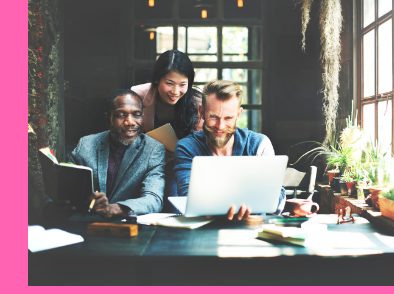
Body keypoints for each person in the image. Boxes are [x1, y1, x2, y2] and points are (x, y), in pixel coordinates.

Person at [43, 89, 166, 221]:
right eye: (121, 115)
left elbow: (154, 199)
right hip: (86, 226)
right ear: (108, 118)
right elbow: (65, 184)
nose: (130, 122)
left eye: (137, 115)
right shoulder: (86, 144)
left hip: (129, 229)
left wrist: (114, 209)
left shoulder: (153, 150)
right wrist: (50, 206)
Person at [173, 80, 286, 220]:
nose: (220, 126)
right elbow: (187, 196)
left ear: (238, 114)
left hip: (254, 230)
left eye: (228, 118)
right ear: (201, 112)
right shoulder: (187, 147)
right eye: (214, 117)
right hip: (203, 231)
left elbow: (278, 198)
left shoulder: (259, 144)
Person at [131, 49, 203, 212]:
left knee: (177, 208)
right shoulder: (137, 95)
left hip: (180, 166)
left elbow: (200, 144)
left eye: (183, 84)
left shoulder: (197, 103)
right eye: (169, 83)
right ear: (157, 79)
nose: (175, 91)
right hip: (144, 164)